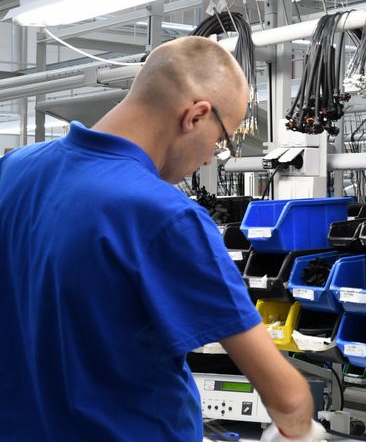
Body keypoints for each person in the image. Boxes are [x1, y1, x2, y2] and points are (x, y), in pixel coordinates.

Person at [0, 36, 323, 441]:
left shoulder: (12, 171)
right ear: (196, 116)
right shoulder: (165, 216)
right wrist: (301, 430)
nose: (209, 157)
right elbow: (286, 397)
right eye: (221, 140)